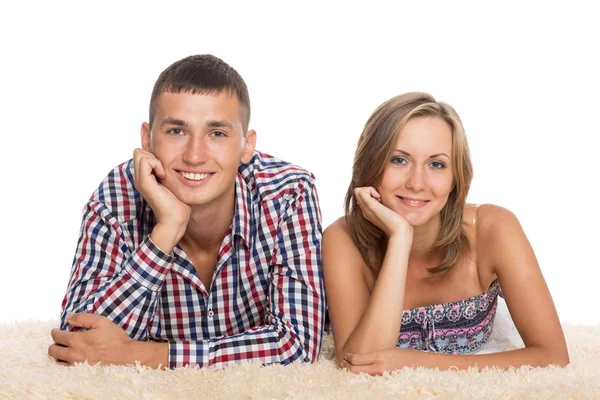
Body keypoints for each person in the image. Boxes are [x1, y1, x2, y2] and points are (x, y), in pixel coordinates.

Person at [48, 54, 325, 369]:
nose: (195, 156)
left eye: (217, 133)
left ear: (246, 146)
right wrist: (166, 231)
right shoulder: (117, 196)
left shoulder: (288, 192)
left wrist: (140, 355)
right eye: (177, 131)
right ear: (146, 138)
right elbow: (74, 342)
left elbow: (298, 343)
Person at [323, 92, 569, 374]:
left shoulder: (494, 227)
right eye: (399, 160)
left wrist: (416, 362)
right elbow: (358, 363)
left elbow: (553, 355)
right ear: (371, 166)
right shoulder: (342, 239)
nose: (417, 183)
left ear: (456, 178)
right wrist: (400, 238)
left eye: (436, 164)